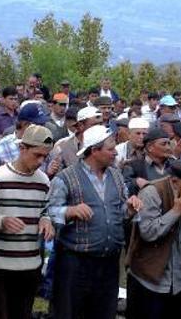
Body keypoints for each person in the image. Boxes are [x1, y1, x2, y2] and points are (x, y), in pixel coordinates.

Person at [47, 125, 142, 319]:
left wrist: (130, 209)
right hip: (76, 263)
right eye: (110, 149)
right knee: (70, 312)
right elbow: (49, 212)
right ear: (94, 151)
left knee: (104, 312)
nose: (115, 152)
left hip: (108, 263)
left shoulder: (116, 175)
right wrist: (70, 211)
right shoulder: (66, 177)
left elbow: (120, 211)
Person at [0, 125, 55, 319]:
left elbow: (45, 210)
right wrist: (0, 222)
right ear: (23, 149)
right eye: (37, 155)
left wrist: (46, 219)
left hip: (29, 265)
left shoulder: (44, 181)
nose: (41, 161)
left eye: (45, 157)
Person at [125, 159, 181, 319]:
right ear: (175, 181)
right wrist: (176, 211)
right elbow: (148, 233)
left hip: (179, 280)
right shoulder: (152, 192)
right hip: (149, 279)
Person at [0, 103, 50, 173]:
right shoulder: (0, 147)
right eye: (39, 125)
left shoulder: (44, 146)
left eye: (43, 125)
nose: (43, 129)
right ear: (25, 124)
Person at [122, 127, 172, 196]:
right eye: (163, 144)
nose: (168, 148)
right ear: (150, 147)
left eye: (169, 144)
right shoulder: (134, 166)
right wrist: (135, 182)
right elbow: (123, 187)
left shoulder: (175, 165)